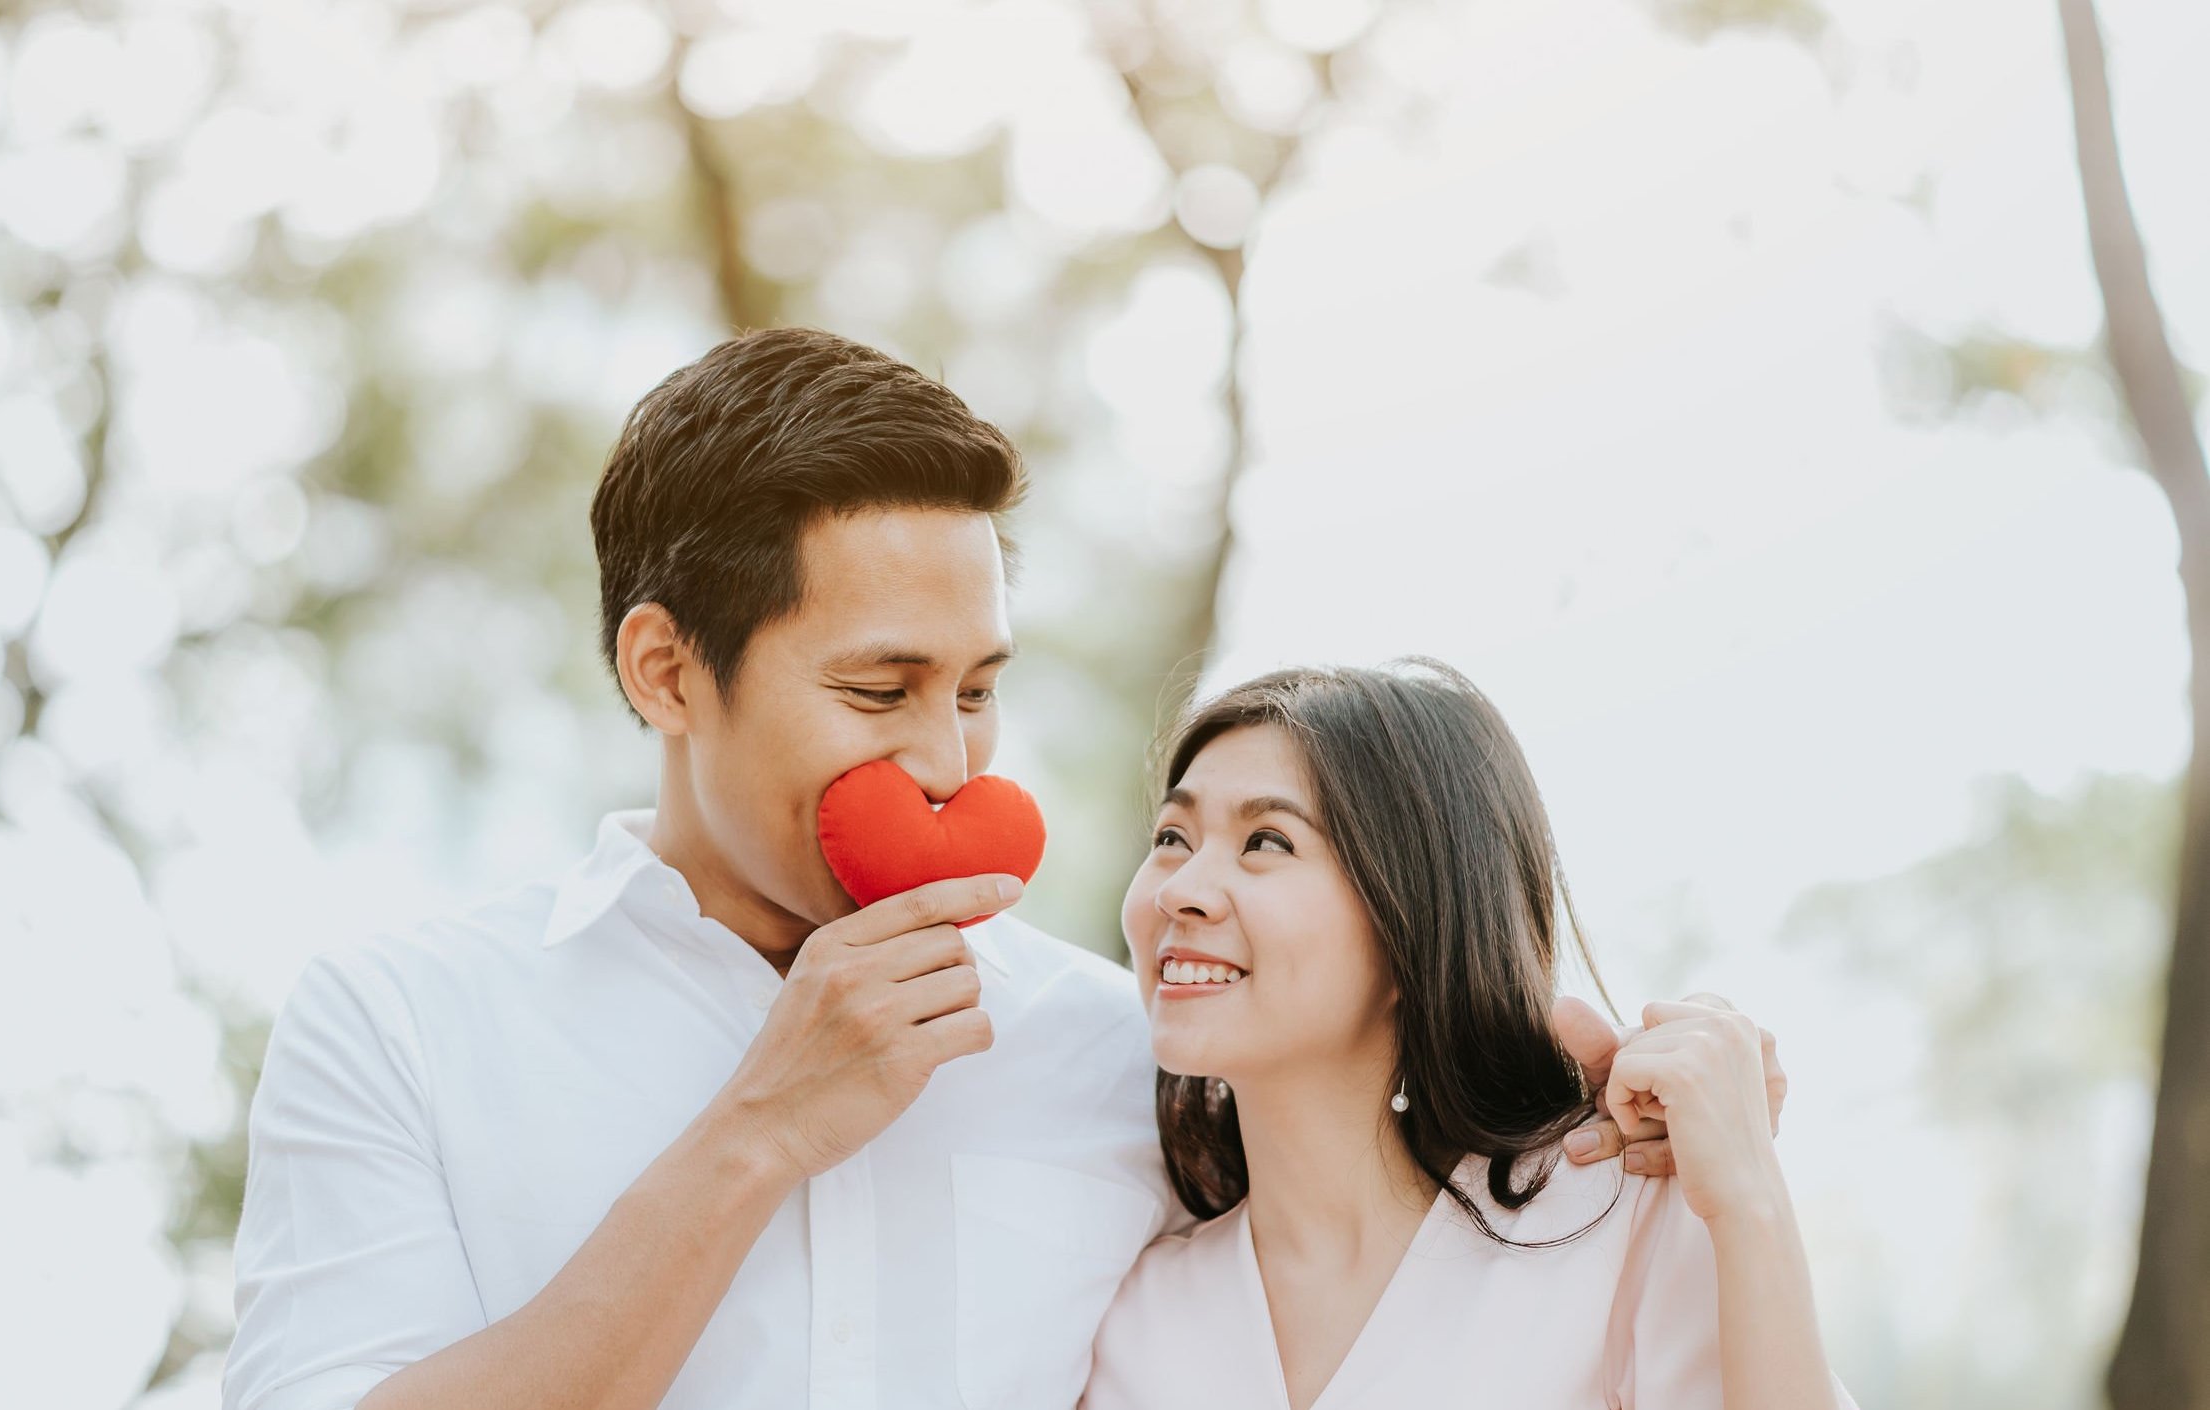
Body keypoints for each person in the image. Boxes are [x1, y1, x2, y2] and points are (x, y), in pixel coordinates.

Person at [222, 328, 1779, 1410]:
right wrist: (755, 1135)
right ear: (663, 669)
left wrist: (1602, 1054)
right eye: (877, 688)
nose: (951, 765)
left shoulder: (1120, 1047)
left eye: (975, 687)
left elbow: (1385, 1150)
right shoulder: (402, 1027)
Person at [1081, 662, 1852, 1409]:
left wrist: (1748, 1196)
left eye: (1266, 843)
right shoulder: (1126, 1316)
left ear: (1413, 918)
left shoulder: (1614, 1223)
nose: (1178, 890)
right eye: (1171, 837)